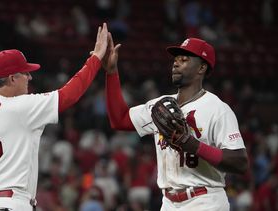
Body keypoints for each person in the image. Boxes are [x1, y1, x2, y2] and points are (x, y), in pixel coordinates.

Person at [0, 23, 109, 211]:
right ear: (12, 78)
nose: (30, 78)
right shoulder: (19, 106)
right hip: (9, 204)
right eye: (26, 73)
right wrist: (96, 58)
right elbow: (69, 95)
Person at [103, 36, 248, 210]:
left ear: (202, 67)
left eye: (184, 59)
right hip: (169, 202)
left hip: (205, 200)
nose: (176, 63)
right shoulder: (161, 107)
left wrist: (194, 146)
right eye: (176, 59)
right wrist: (111, 72)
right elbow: (119, 120)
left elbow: (240, 163)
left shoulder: (217, 109)